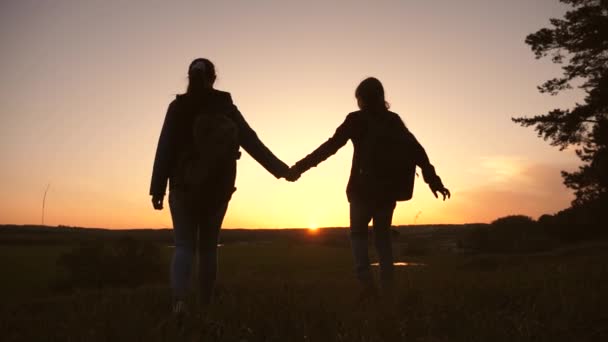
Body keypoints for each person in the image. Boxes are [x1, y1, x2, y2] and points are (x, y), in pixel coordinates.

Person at [287, 77, 450, 298]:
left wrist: (299, 167)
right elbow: (417, 151)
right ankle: (388, 290)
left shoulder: (356, 120)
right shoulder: (393, 121)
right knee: (382, 239)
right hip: (387, 193)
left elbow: (329, 147)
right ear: (382, 97)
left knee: (357, 237)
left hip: (361, 191)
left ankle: (367, 287)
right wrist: (434, 180)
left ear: (361, 99)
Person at [150, 58, 289, 317]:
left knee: (183, 246)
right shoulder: (226, 108)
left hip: (183, 187)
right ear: (213, 78)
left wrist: (156, 188)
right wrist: (281, 170)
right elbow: (252, 143)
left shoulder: (178, 107)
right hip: (218, 189)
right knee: (208, 248)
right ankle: (206, 303)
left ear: (189, 77)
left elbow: (165, 148)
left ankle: (179, 304)